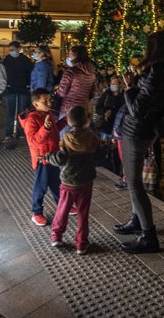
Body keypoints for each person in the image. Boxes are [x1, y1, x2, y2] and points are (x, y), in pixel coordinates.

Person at [113, 31, 164, 254]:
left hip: (136, 131)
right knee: (134, 182)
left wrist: (129, 87)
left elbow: (137, 109)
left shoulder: (157, 75)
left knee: (134, 183)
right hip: (147, 130)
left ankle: (148, 235)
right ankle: (137, 220)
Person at [45, 105, 101, 255]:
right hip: (86, 182)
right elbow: (99, 155)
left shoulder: (66, 138)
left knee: (62, 209)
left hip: (68, 182)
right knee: (83, 213)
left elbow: (60, 159)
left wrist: (48, 157)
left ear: (69, 122)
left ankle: (56, 236)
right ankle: (81, 244)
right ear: (87, 120)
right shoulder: (92, 138)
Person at [19, 88, 62, 227]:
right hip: (42, 159)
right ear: (36, 103)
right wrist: (46, 128)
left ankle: (62, 206)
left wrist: (67, 120)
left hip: (52, 156)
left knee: (56, 184)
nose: (49, 103)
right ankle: (36, 212)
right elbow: (33, 141)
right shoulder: (32, 119)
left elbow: (54, 130)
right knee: (41, 187)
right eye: (45, 101)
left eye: (50, 100)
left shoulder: (47, 114)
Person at [2, 41, 33, 141]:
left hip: (23, 89)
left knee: (22, 112)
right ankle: (9, 132)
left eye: (13, 49)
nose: (11, 51)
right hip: (10, 89)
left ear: (19, 49)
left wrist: (28, 85)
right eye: (10, 49)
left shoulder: (26, 61)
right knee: (10, 112)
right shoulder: (6, 60)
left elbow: (30, 74)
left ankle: (21, 131)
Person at [56, 46, 96, 119]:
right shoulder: (92, 73)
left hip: (68, 109)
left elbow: (62, 92)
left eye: (70, 54)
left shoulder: (71, 72)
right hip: (83, 109)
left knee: (64, 126)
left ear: (76, 56)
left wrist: (56, 90)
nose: (68, 57)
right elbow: (92, 92)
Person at [94, 76, 124, 140]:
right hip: (105, 128)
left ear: (119, 85)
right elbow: (97, 109)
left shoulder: (123, 96)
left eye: (114, 84)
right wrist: (105, 111)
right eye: (111, 84)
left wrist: (112, 112)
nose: (112, 85)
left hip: (116, 129)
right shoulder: (106, 94)